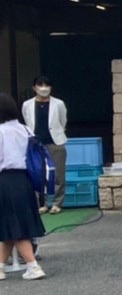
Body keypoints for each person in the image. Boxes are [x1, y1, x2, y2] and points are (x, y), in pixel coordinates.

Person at [0, 94, 46, 281]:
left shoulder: (1, 131)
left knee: (14, 225)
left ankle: (33, 265)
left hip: (5, 180)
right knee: (11, 225)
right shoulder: (25, 129)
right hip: (25, 180)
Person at [22, 75, 67, 214]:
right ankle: (42, 204)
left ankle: (57, 203)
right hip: (36, 144)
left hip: (55, 142)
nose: (43, 88)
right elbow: (27, 120)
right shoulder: (27, 104)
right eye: (40, 85)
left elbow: (63, 120)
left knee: (58, 174)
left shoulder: (58, 103)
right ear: (34, 88)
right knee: (38, 174)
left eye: (46, 85)